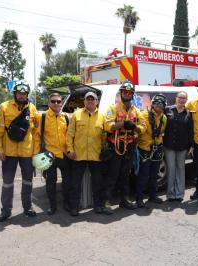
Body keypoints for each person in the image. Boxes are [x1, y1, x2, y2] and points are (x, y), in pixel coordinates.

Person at [0, 80, 39, 222]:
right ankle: (6, 211)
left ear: (27, 95)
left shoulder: (32, 108)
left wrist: (36, 151)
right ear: (15, 93)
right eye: (19, 93)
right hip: (9, 153)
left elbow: (36, 132)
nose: (22, 96)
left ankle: (28, 207)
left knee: (28, 182)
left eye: (24, 93)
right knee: (7, 182)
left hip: (27, 153)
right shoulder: (4, 107)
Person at [103, 81, 146, 211]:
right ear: (121, 93)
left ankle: (124, 200)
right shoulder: (112, 108)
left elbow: (143, 127)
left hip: (130, 146)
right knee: (112, 175)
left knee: (125, 175)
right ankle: (106, 201)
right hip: (115, 145)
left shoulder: (137, 111)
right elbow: (108, 126)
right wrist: (122, 124)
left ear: (132, 95)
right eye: (124, 92)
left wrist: (135, 127)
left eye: (129, 92)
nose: (126, 94)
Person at [66, 91, 110, 216]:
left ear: (97, 101)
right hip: (78, 155)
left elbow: (105, 136)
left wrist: (104, 149)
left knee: (97, 183)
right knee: (75, 183)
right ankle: (74, 207)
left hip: (96, 156)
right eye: (88, 99)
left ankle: (98, 205)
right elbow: (69, 134)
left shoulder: (102, 117)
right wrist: (70, 150)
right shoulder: (76, 115)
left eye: (93, 99)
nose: (90, 101)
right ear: (84, 101)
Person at [34, 93, 71, 215]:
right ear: (49, 102)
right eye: (53, 101)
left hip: (64, 155)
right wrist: (36, 154)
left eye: (58, 101)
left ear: (61, 103)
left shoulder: (66, 117)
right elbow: (37, 136)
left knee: (67, 182)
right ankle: (52, 205)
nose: (56, 104)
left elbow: (70, 136)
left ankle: (66, 204)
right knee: (50, 183)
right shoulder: (42, 117)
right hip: (49, 156)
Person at [136, 94, 168, 208]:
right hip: (145, 148)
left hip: (157, 147)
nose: (158, 106)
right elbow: (143, 127)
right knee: (144, 175)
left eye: (161, 104)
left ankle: (152, 196)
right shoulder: (144, 114)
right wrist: (137, 129)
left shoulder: (164, 118)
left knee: (155, 174)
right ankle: (139, 198)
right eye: (156, 104)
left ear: (164, 106)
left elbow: (162, 131)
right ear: (152, 104)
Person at [163, 91, 193, 202]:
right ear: (176, 98)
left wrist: (191, 146)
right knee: (171, 169)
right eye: (180, 97)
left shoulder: (189, 114)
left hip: (182, 146)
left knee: (180, 169)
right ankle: (170, 194)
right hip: (169, 145)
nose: (182, 100)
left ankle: (179, 194)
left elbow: (191, 131)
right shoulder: (168, 110)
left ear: (186, 100)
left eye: (184, 98)